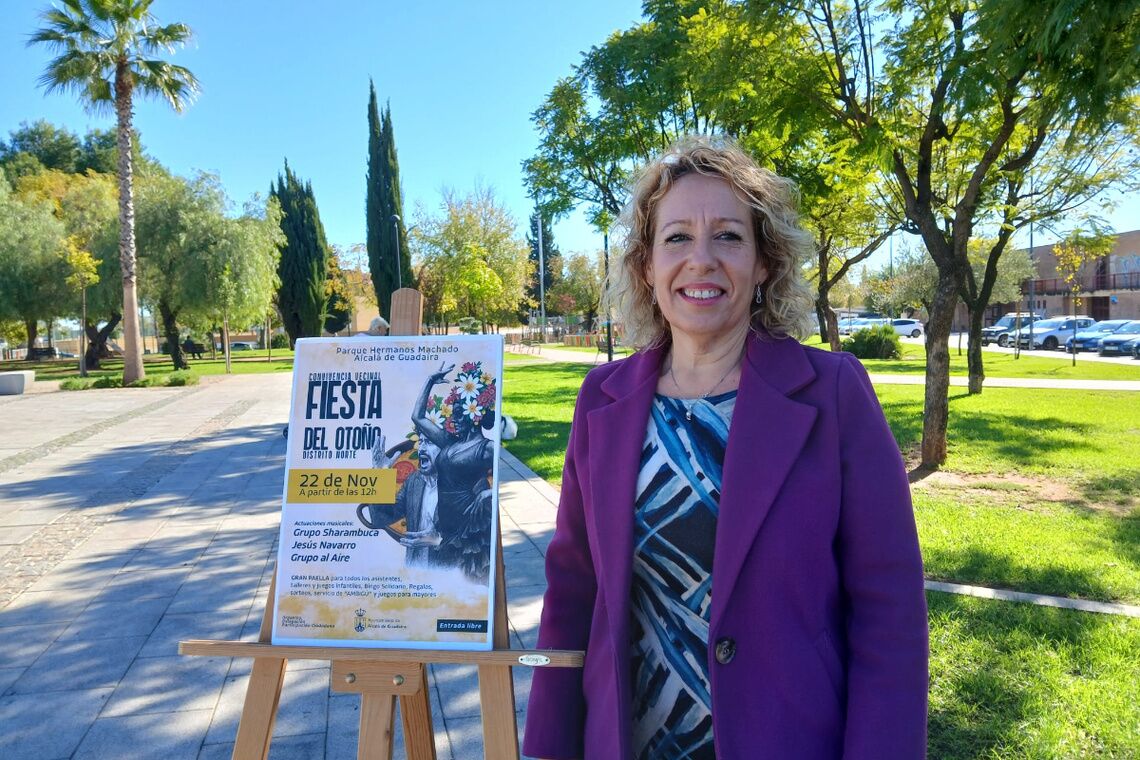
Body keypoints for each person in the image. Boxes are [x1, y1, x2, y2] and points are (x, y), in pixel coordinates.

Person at [523, 137, 928, 759]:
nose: (701, 259)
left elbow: (889, 610)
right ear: (646, 265)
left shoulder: (833, 394)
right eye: (677, 237)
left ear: (764, 262)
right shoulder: (602, 399)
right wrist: (548, 748)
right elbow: (572, 595)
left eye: (729, 237)